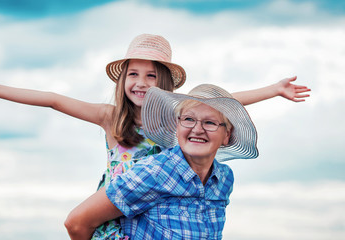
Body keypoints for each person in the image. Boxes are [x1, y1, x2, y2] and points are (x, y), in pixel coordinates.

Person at [0, 34, 310, 239]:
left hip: (157, 214)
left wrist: (273, 90)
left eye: (151, 76)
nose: (140, 83)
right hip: (117, 213)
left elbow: (224, 105)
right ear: (122, 80)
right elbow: (55, 101)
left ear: (164, 84)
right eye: (133, 74)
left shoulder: (177, 121)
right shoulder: (111, 118)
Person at [64, 83, 258, 240]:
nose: (197, 129)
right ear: (177, 126)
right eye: (189, 119)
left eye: (209, 122)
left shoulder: (224, 178)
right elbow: (77, 222)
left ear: (227, 135)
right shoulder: (154, 172)